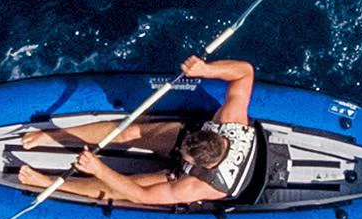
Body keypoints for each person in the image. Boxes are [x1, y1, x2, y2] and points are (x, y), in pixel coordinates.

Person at [17, 56, 260, 209]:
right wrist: (205, 69)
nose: (181, 147)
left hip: (191, 176)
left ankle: (48, 183)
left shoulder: (201, 185)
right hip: (207, 152)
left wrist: (98, 168)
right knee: (132, 132)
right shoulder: (230, 122)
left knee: (119, 189)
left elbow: (141, 195)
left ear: (198, 165)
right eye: (186, 143)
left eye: (184, 151)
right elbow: (245, 71)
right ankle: (53, 135)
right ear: (214, 133)